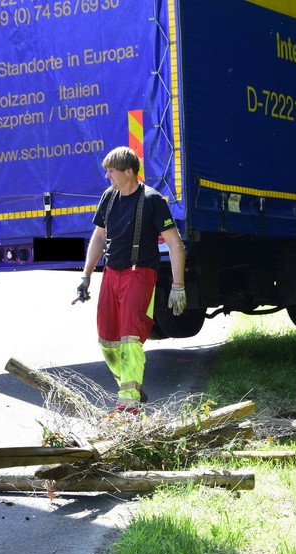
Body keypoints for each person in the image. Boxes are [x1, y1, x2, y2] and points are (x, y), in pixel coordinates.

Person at [75, 146, 187, 413]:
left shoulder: (152, 200)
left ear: (128, 171)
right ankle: (132, 387)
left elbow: (174, 243)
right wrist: (86, 276)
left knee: (130, 339)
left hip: (140, 275)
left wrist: (178, 286)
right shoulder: (108, 197)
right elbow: (99, 237)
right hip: (111, 274)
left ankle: (129, 405)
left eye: (111, 171)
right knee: (107, 341)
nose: (107, 176)